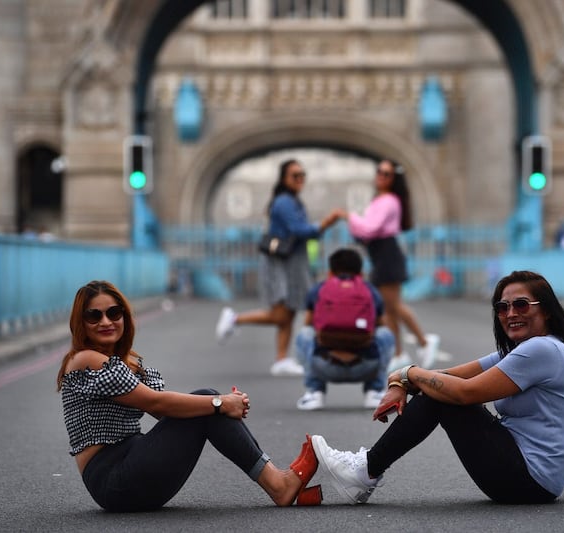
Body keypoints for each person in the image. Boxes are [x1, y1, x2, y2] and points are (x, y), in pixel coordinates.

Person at [310, 270, 564, 505]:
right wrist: (402, 381)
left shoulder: (542, 350)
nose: (510, 313)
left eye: (522, 305)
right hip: (526, 478)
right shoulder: (522, 351)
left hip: (528, 479)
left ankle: (365, 471)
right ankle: (366, 470)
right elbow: (446, 376)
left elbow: (464, 392)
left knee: (444, 396)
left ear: (547, 310)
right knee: (440, 389)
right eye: (503, 307)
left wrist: (409, 374)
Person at [56, 280, 322, 511]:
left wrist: (222, 405)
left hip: (133, 469)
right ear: (81, 323)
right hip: (113, 480)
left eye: (114, 313)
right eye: (94, 316)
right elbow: (156, 402)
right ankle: (278, 485)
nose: (106, 321)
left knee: (208, 405)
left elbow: (165, 412)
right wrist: (220, 403)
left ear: (124, 316)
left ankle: (279, 482)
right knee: (210, 402)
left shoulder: (121, 362)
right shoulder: (85, 359)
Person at [215, 159, 342, 376]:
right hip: (279, 262)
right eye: (295, 175)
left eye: (302, 175)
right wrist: (325, 224)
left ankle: (281, 358)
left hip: (292, 262)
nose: (300, 179)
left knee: (290, 310)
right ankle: (235, 319)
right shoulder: (284, 202)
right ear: (284, 178)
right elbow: (299, 229)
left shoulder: (293, 200)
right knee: (280, 313)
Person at [339, 159, 439, 372]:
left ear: (394, 179)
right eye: (379, 172)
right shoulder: (381, 200)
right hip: (380, 254)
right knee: (387, 309)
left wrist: (349, 216)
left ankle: (424, 341)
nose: (380, 176)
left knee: (393, 305)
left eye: (386, 174)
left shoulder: (389, 201)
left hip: (387, 254)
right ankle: (398, 352)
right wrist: (356, 223)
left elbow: (370, 229)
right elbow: (365, 230)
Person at [294, 248, 394, 411]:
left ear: (330, 271)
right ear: (360, 272)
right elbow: (380, 324)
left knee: (305, 334)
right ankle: (374, 391)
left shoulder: (319, 289)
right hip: (366, 366)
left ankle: (314, 392)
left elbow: (309, 323)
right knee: (386, 334)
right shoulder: (370, 290)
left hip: (324, 366)